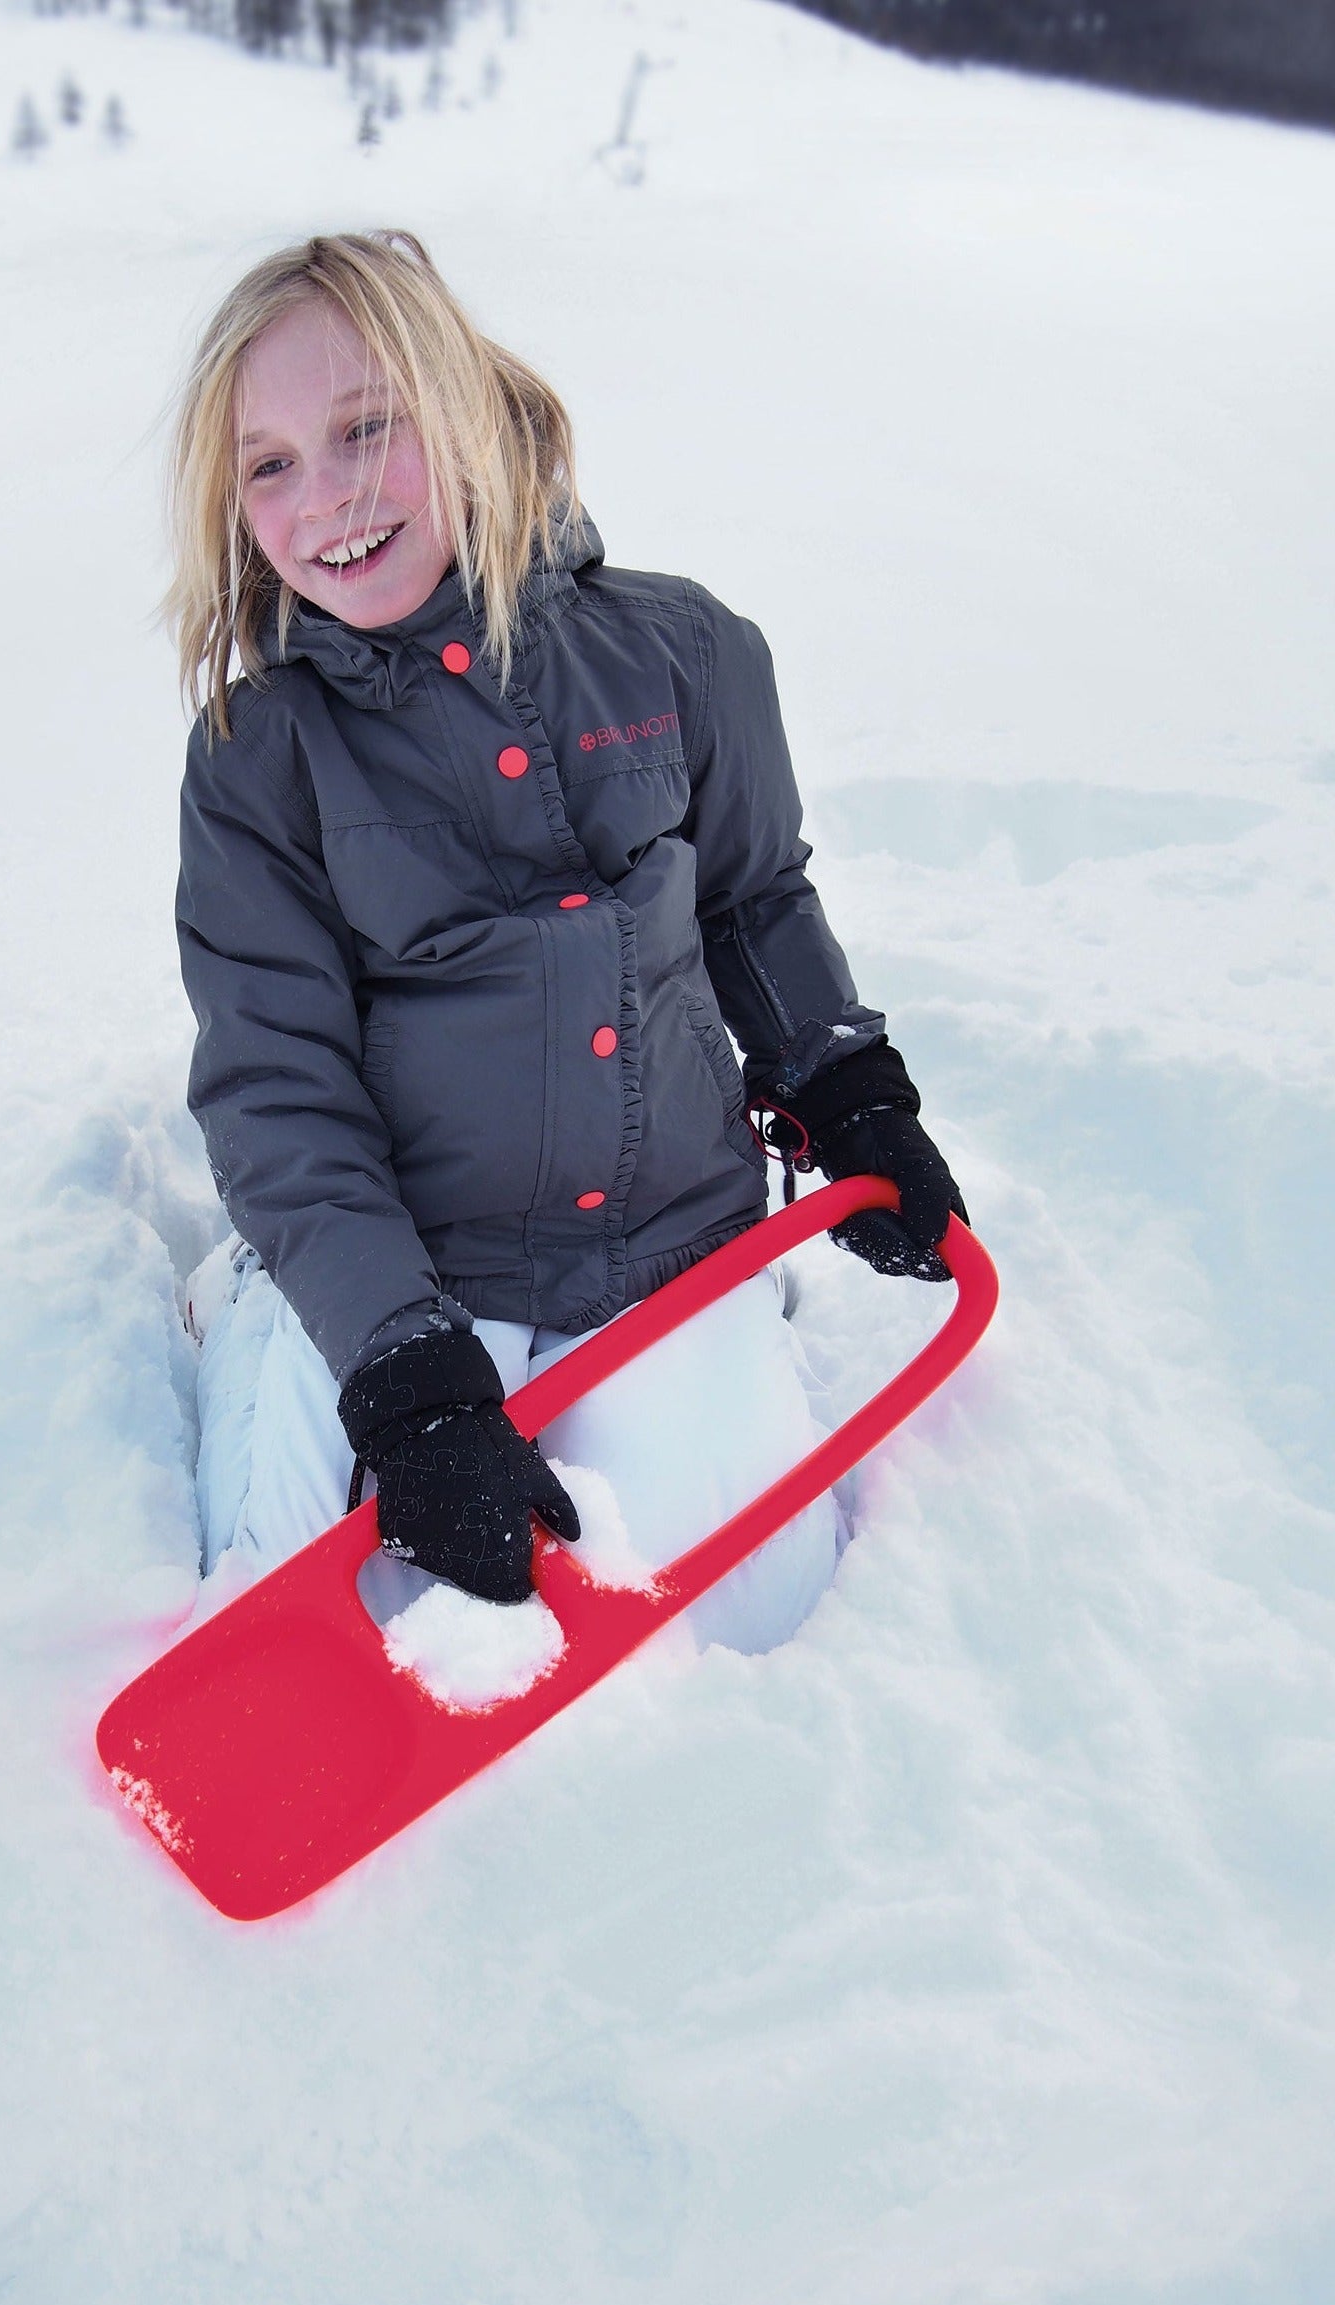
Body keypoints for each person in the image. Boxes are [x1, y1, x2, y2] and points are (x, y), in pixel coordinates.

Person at [165, 231, 967, 1650]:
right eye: (270, 465)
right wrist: (406, 1373)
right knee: (311, 1635)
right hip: (408, 1280)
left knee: (754, 1618)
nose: (327, 498)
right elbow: (281, 1089)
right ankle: (267, 1314)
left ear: (463, 406)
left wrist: (852, 1094)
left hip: (659, 1255)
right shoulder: (260, 763)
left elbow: (750, 902)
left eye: (367, 428)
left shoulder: (685, 654)